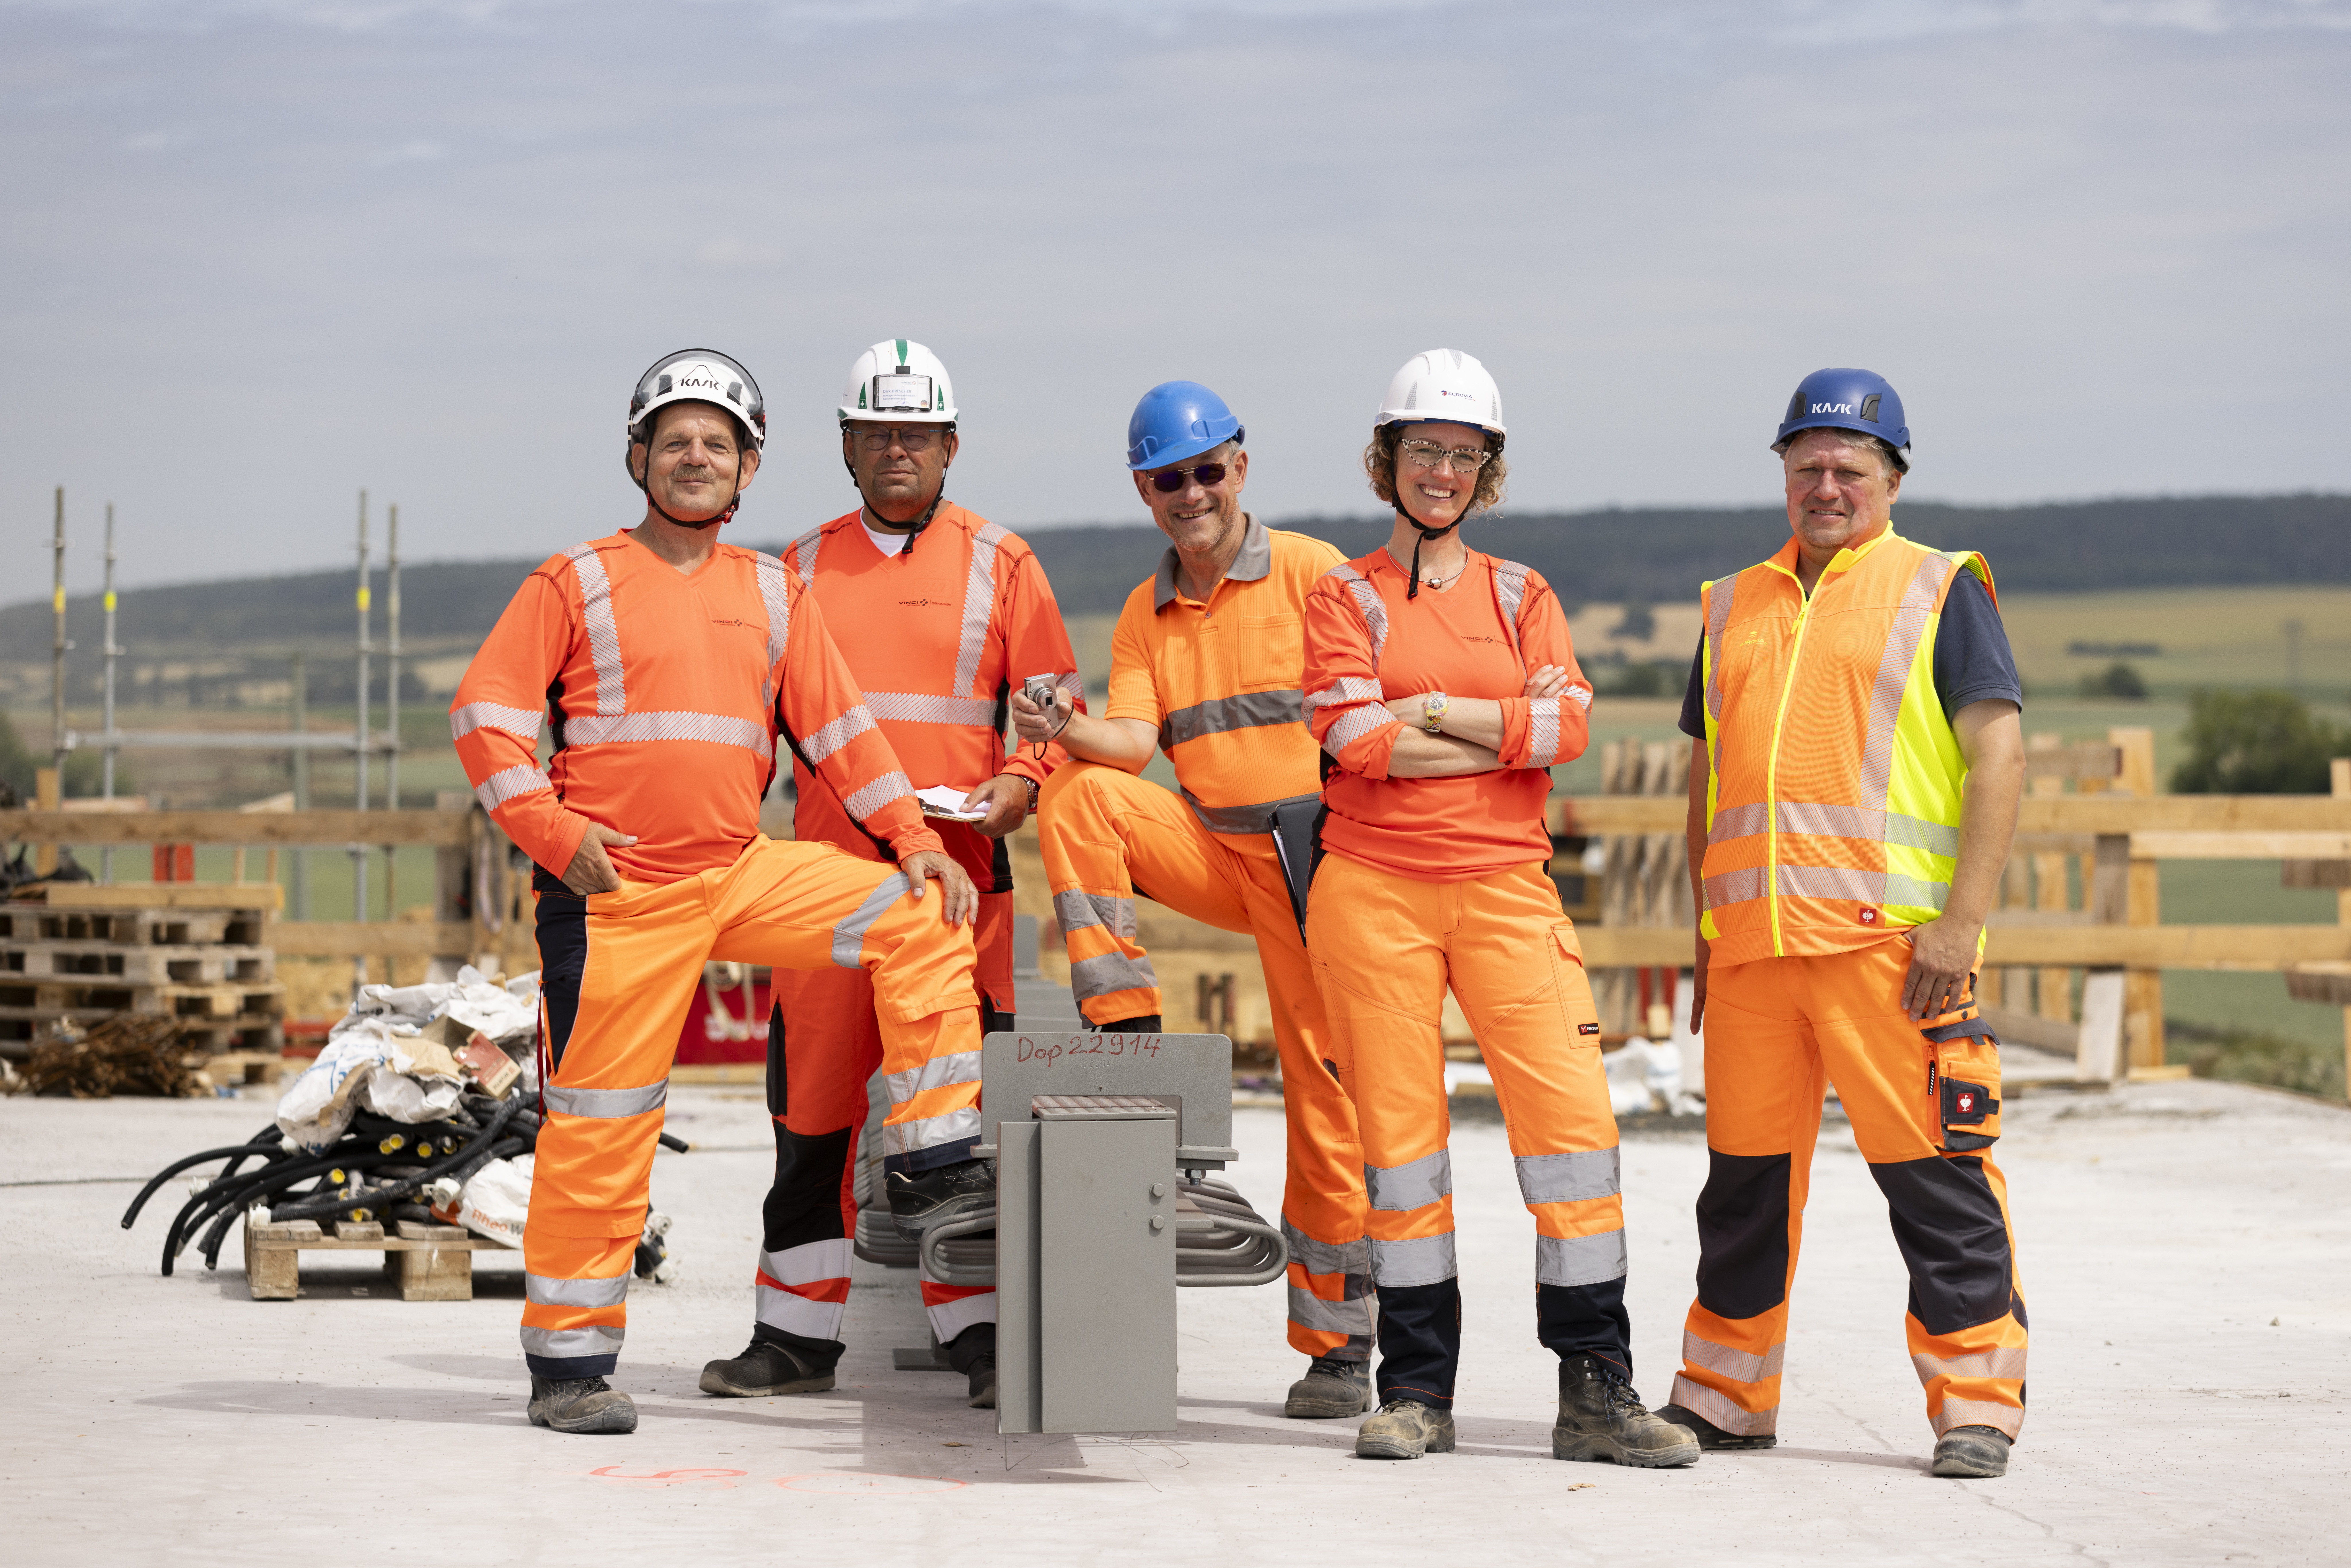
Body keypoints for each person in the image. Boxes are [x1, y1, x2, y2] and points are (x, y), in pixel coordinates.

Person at [451, 348, 985, 1436]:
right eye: (676, 441)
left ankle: (933, 1154)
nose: (697, 458)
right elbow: (486, 716)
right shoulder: (577, 579)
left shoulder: (773, 592)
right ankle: (570, 1368)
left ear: (747, 469)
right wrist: (552, 834)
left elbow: (844, 733)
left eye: (720, 444)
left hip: (739, 876)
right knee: (601, 1129)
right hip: (617, 899)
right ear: (639, 457)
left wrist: (914, 837)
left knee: (919, 914)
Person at [1301, 348, 1698, 1468]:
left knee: (1574, 1134)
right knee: (1401, 1149)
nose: (1441, 470)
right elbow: (1354, 740)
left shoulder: (1521, 592)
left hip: (1507, 894)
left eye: (1463, 455)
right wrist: (1490, 727)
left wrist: (1427, 711)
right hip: (1370, 896)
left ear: (1488, 471)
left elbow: (1566, 732)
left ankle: (1595, 1389)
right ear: (1386, 459)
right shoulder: (1341, 594)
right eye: (1423, 449)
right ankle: (1415, 1392)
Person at [1652, 368, 2028, 1480]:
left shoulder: (1938, 588)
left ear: (1891, 479)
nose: (1824, 485)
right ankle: (1722, 1394)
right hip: (1754, 959)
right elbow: (1707, 780)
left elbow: (1997, 753)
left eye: (1847, 468)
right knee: (1740, 1192)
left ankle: (1976, 1405)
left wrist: (1961, 925)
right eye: (1805, 465)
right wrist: (1701, 940)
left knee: (1937, 1184)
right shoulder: (1730, 603)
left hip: (1891, 954)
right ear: (1781, 471)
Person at [699, 339, 1083, 1410]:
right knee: (814, 1121)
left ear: (951, 446)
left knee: (967, 1134)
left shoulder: (1005, 563)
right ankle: (792, 1340)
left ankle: (986, 1342)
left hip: (963, 885)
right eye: (878, 433)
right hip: (830, 890)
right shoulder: (796, 568)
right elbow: (750, 722)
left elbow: (1051, 706)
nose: (898, 450)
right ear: (846, 447)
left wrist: (1022, 779)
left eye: (917, 434)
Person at [1008, 381, 1377, 1421]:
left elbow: (1374, 715)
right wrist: (1058, 726)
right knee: (1082, 793)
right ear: (1145, 490)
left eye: (1208, 471)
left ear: (1241, 469)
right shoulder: (1144, 611)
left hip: (1320, 860)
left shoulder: (1314, 573)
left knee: (1327, 1098)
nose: (1192, 493)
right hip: (1220, 854)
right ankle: (1125, 1023)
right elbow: (1129, 746)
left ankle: (1338, 1349)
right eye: (1170, 479)